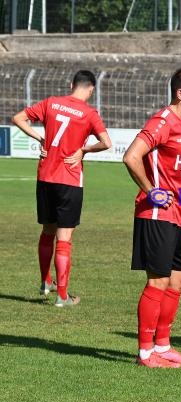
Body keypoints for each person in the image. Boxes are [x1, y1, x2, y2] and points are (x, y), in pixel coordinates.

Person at [123, 67, 181, 368]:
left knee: (178, 278)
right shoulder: (162, 121)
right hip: (157, 214)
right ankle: (146, 353)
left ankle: (163, 345)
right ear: (180, 93)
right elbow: (131, 156)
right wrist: (151, 191)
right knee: (158, 282)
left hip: (176, 214)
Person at [11, 70, 111, 307]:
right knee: (64, 237)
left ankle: (46, 281)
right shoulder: (89, 113)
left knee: (48, 231)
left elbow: (18, 118)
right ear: (91, 89)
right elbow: (106, 142)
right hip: (69, 179)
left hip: (45, 176)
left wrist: (40, 139)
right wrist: (84, 150)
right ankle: (62, 296)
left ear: (71, 84)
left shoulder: (51, 103)